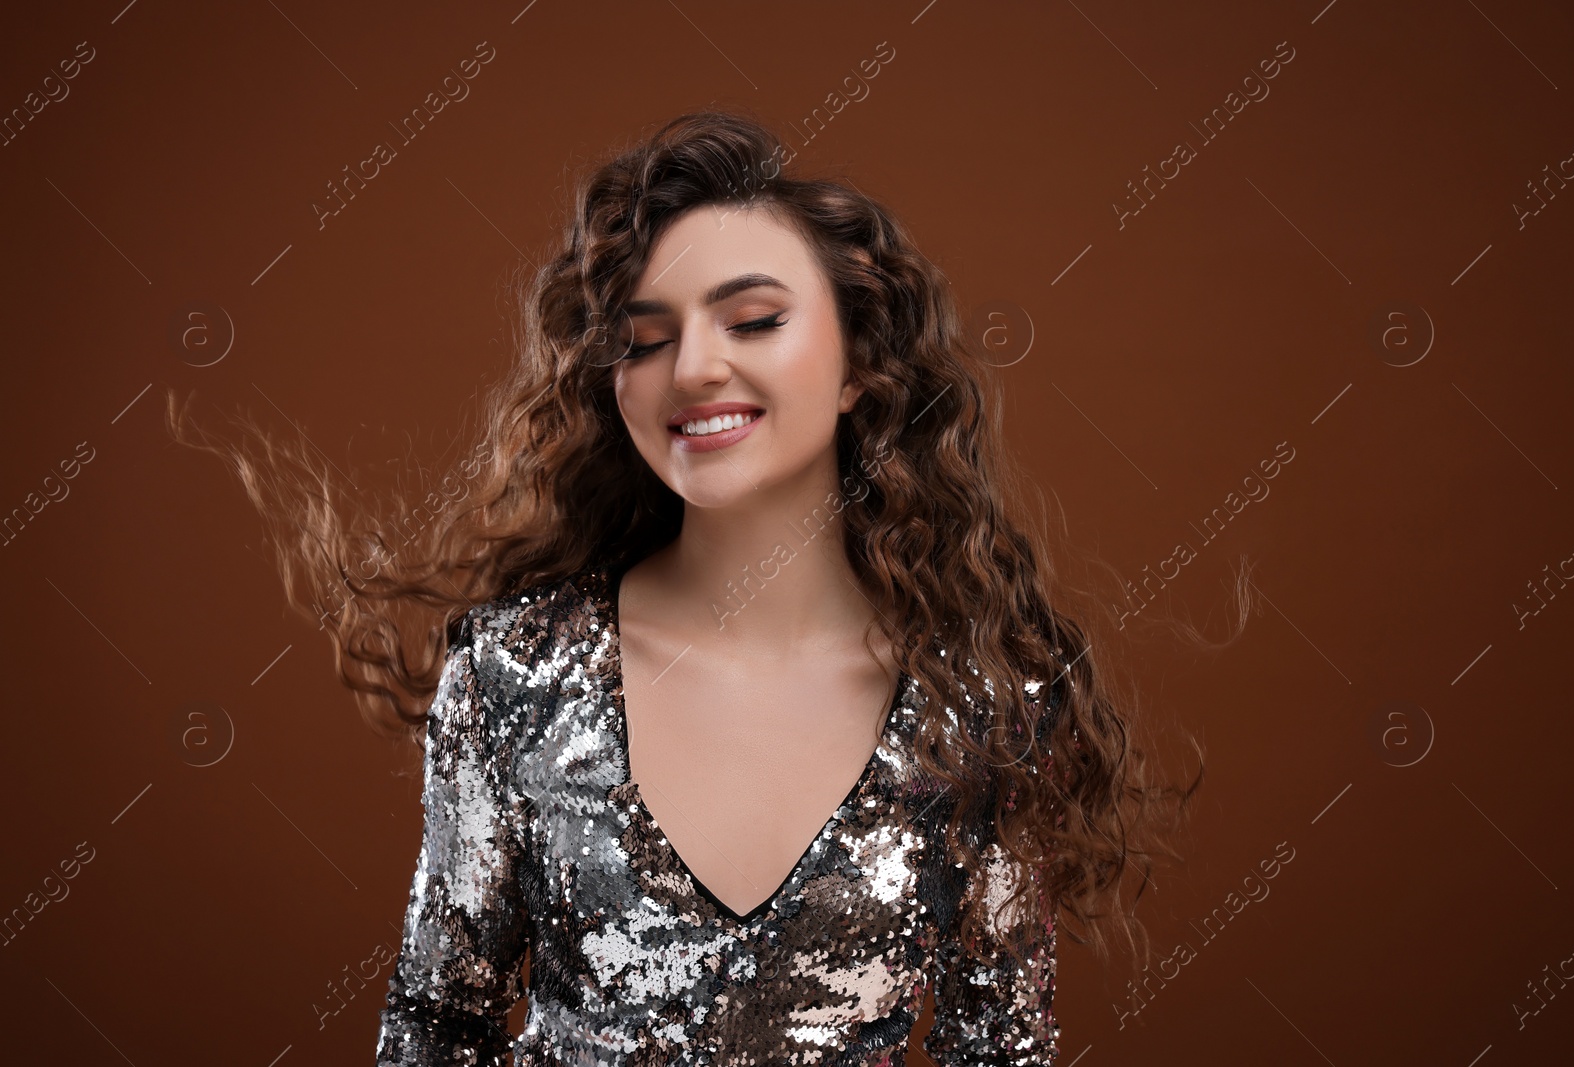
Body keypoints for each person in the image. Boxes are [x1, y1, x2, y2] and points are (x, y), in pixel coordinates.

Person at [167, 108, 1204, 1065]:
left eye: (751, 320)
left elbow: (999, 1051)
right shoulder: (513, 672)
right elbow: (436, 1028)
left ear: (859, 369)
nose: (692, 368)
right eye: (645, 337)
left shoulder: (981, 702)